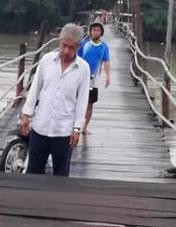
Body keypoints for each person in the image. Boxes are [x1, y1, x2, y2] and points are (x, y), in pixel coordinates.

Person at [20, 23, 90, 176]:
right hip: (40, 126)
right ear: (59, 41)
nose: (66, 51)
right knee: (33, 173)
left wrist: (77, 128)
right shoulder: (46, 60)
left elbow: (82, 101)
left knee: (61, 176)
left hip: (64, 131)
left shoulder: (83, 68)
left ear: (78, 47)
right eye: (64, 45)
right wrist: (26, 114)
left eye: (71, 47)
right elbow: (35, 89)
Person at [78, 21, 111, 134]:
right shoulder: (83, 43)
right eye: (93, 30)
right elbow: (76, 57)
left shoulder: (104, 47)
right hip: (80, 76)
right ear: (90, 31)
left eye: (97, 30)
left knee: (90, 103)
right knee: (76, 100)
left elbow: (106, 61)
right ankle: (74, 125)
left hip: (93, 79)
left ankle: (85, 127)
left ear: (101, 32)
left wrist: (108, 76)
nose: (95, 32)